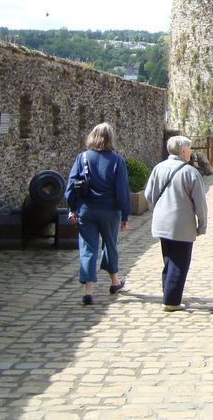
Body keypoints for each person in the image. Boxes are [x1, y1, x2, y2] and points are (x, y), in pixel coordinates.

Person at [65, 122, 129, 306]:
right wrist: (125, 215)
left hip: (86, 210)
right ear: (111, 139)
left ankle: (89, 291)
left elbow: (71, 187)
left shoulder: (82, 158)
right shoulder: (117, 161)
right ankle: (115, 281)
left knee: (87, 249)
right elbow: (122, 191)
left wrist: (71, 209)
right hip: (109, 211)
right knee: (110, 245)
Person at [144, 135, 208, 312]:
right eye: (189, 149)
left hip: (161, 222)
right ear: (184, 151)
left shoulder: (158, 168)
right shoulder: (190, 172)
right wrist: (202, 225)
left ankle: (167, 293)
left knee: (169, 259)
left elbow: (148, 195)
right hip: (181, 224)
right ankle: (171, 301)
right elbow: (200, 204)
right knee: (180, 262)